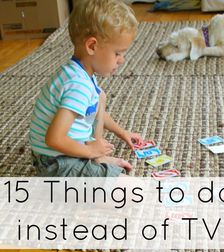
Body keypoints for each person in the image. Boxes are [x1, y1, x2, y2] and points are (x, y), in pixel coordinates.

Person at [29, 0, 143, 177]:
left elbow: (92, 111)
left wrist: (122, 132)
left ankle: (97, 159)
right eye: (117, 53)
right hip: (56, 163)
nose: (122, 60)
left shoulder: (81, 73)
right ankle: (88, 164)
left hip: (65, 153)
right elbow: (54, 139)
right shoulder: (78, 86)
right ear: (92, 46)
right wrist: (90, 152)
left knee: (100, 96)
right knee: (131, 192)